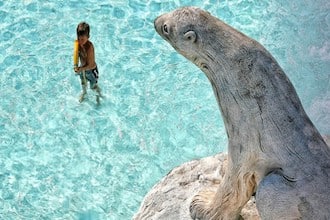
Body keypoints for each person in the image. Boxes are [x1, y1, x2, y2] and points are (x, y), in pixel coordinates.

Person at [74, 22, 102, 103]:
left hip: (91, 71)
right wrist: (76, 66)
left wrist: (81, 68)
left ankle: (99, 95)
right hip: (82, 69)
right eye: (79, 38)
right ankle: (84, 93)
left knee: (93, 87)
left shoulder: (89, 48)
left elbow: (91, 65)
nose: (80, 41)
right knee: (83, 83)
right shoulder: (78, 44)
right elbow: (76, 56)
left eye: (83, 39)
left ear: (88, 37)